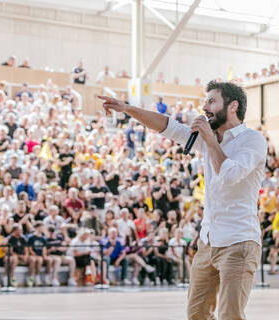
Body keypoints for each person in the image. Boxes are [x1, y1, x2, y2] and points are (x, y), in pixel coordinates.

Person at [98, 79, 267, 319]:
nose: (204, 107)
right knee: (196, 314)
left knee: (230, 315)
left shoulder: (252, 140)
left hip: (239, 241)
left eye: (211, 101)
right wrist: (128, 109)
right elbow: (167, 126)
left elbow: (230, 174)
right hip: (208, 241)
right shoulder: (209, 137)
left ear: (232, 106)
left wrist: (209, 140)